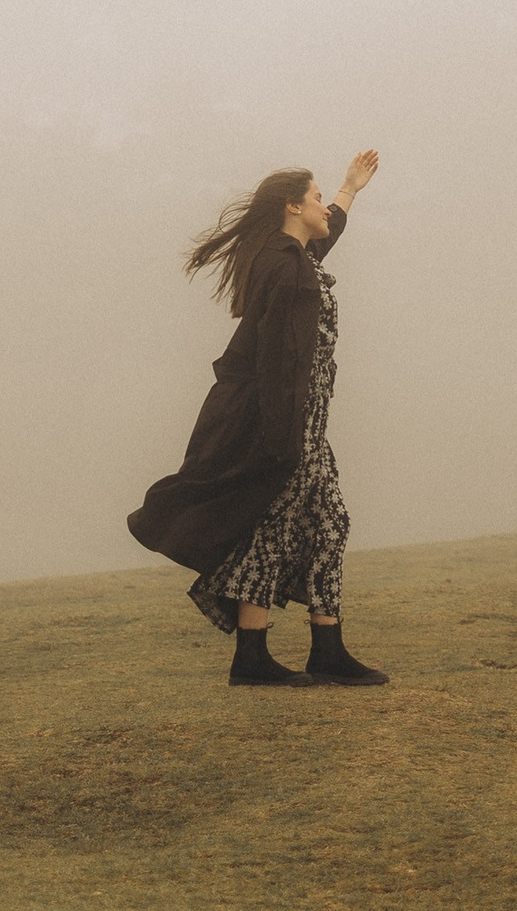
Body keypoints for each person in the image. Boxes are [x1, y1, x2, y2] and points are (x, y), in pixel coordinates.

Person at [128, 152, 391, 686]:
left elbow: (325, 233)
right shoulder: (286, 268)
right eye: (315, 198)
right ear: (293, 207)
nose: (324, 209)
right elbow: (277, 360)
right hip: (287, 425)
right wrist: (283, 442)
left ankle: (295, 652)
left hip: (300, 421)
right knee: (312, 525)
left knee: (303, 527)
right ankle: (294, 653)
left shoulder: (290, 255)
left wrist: (348, 189)